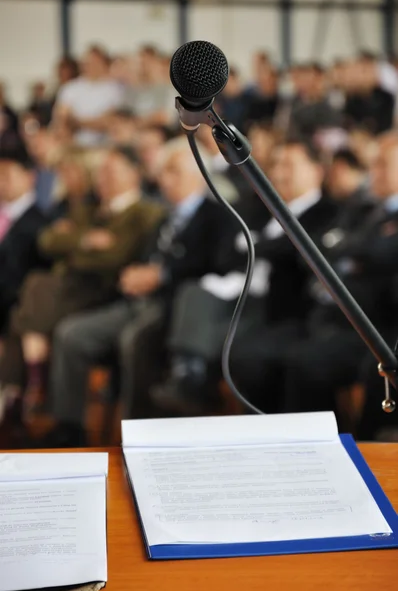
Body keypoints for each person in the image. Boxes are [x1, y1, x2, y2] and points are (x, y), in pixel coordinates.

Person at [42, 137, 237, 447]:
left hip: (175, 307)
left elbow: (218, 266)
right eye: (163, 171)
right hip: (136, 301)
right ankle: (70, 426)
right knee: (71, 334)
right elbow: (144, 258)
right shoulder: (164, 217)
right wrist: (135, 273)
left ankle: (136, 436)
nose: (164, 178)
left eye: (173, 170)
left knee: (135, 340)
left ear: (197, 173)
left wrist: (162, 275)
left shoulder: (219, 216)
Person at [153, 139, 337, 415]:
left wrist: (256, 246)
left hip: (284, 310)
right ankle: (190, 377)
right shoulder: (258, 208)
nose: (279, 173)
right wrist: (261, 247)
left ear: (316, 171)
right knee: (191, 294)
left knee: (244, 354)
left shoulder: (328, 213)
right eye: (275, 165)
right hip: (240, 294)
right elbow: (226, 255)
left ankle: (202, 388)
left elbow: (298, 254)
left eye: (289, 165)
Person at [0, 145, 164, 421]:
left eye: (110, 171)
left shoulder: (146, 213)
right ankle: (27, 390)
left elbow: (115, 257)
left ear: (134, 173)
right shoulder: (88, 208)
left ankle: (25, 387)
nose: (102, 178)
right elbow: (48, 241)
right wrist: (86, 240)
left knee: (35, 292)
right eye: (100, 172)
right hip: (70, 289)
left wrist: (73, 245)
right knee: (36, 291)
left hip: (105, 291)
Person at [284, 132, 398, 420]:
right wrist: (354, 253)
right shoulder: (368, 209)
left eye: (383, 165)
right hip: (336, 316)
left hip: (377, 323)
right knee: (284, 352)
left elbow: (375, 253)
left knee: (306, 362)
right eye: (374, 165)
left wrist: (352, 251)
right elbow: (326, 246)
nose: (375, 173)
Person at [0, 151, 47, 334]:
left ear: (30, 177)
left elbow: (15, 277)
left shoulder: (37, 223)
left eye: (7, 175)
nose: (1, 182)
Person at [54, 45, 123, 146]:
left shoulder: (115, 90)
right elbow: (62, 118)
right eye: (87, 63)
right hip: (73, 144)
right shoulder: (70, 88)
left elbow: (109, 121)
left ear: (104, 63)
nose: (91, 66)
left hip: (105, 144)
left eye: (95, 63)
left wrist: (77, 122)